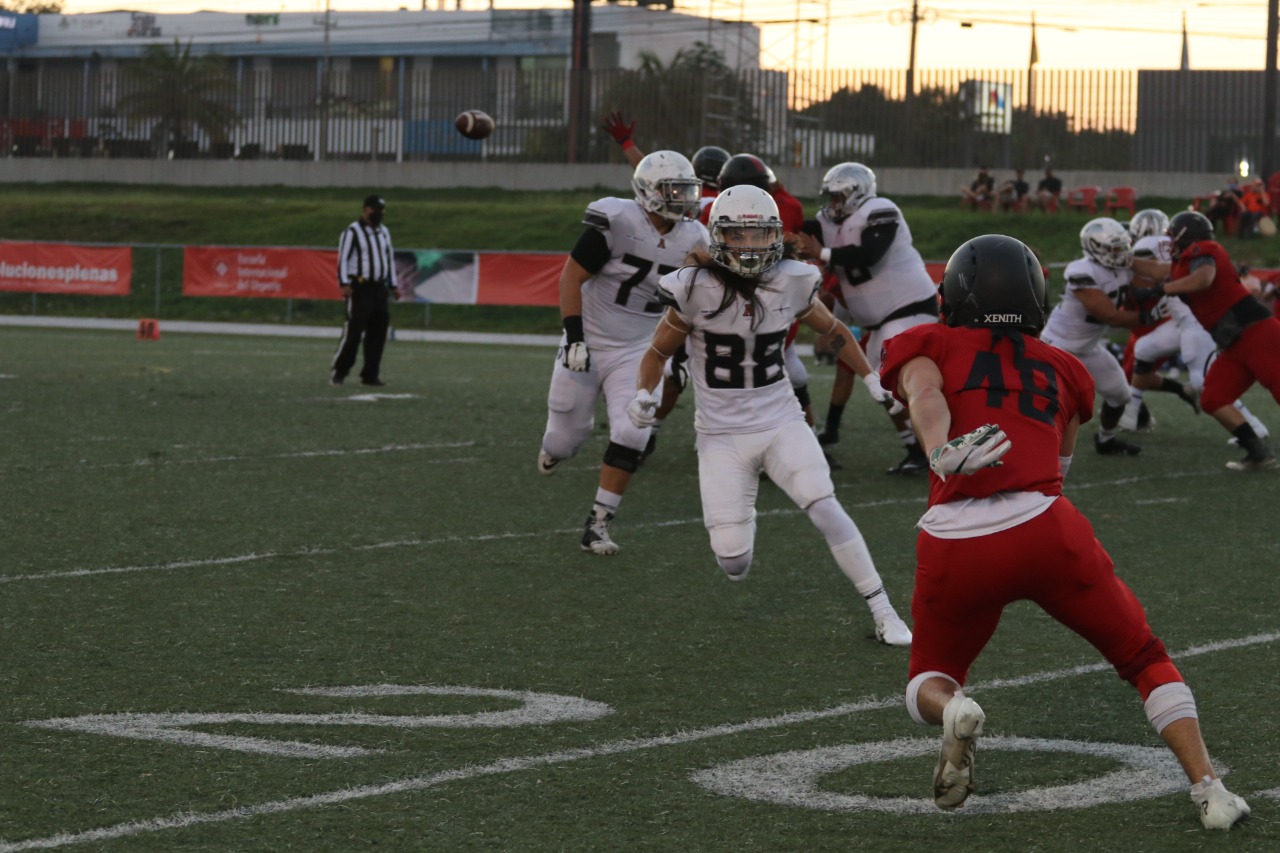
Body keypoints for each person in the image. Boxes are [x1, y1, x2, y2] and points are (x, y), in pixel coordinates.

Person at [879, 233, 1250, 829]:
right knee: (1143, 656)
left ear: (954, 294)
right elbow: (1061, 467)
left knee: (928, 678)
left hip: (955, 539)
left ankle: (955, 709)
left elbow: (922, 390)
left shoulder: (927, 340)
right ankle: (1210, 792)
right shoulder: (1065, 366)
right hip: (1044, 525)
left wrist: (940, 450)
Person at [629, 184, 912, 645]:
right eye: (739, 236)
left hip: (781, 420)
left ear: (776, 236)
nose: (750, 246)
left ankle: (884, 612)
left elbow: (836, 329)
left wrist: (869, 379)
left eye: (759, 235)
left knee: (824, 504)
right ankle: (742, 509)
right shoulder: (693, 287)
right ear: (720, 237)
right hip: (720, 435)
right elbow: (657, 352)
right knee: (733, 561)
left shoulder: (791, 279)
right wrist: (642, 395)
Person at [537, 150, 709, 554]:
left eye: (686, 188)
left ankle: (598, 523)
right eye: (674, 189)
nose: (684, 197)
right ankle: (554, 448)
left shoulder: (694, 238)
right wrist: (574, 336)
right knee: (564, 442)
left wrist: (680, 357)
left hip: (639, 347)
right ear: (649, 191)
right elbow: (571, 277)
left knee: (635, 429)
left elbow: (690, 303)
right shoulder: (616, 220)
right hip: (590, 339)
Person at [798, 162, 938, 474]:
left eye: (839, 196)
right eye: (829, 197)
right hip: (880, 320)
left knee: (902, 383)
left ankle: (938, 445)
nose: (832, 204)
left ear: (857, 193)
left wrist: (820, 253)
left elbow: (869, 253)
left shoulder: (880, 209)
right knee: (880, 385)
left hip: (909, 308)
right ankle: (918, 449)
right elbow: (798, 235)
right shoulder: (825, 222)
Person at [1130, 210, 1280, 470]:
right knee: (1213, 398)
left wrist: (1160, 289)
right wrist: (1125, 260)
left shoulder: (1203, 251)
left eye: (1174, 238)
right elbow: (1156, 269)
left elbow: (1204, 279)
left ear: (1187, 237)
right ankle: (1259, 453)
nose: (1170, 244)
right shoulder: (1183, 264)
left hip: (1258, 334)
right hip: (1233, 344)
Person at [1039, 217, 1146, 455]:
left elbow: (1158, 271)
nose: (1121, 254)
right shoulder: (1082, 271)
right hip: (1059, 347)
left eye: (1122, 246)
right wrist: (1150, 316)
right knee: (1051, 404)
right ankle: (1037, 448)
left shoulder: (1123, 268)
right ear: (1095, 248)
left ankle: (1106, 440)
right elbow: (1110, 316)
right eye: (1114, 248)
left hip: (1089, 348)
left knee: (1120, 394)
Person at [331, 193, 396, 387]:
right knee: (354, 331)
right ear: (365, 209)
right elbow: (343, 259)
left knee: (378, 333)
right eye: (375, 209)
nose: (379, 213)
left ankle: (370, 374)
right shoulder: (352, 231)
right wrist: (343, 283)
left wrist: (393, 284)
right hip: (360, 287)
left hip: (379, 288)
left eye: (381, 209)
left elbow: (389, 258)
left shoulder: (384, 231)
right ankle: (340, 371)